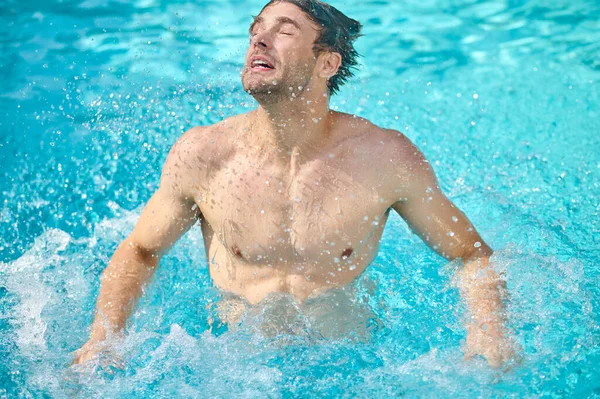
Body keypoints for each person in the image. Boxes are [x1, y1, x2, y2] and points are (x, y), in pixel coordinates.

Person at [73, 0, 518, 368]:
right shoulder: (204, 154)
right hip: (234, 364)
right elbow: (140, 250)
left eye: (283, 31)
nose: (258, 40)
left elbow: (469, 253)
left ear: (327, 62)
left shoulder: (384, 157)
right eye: (255, 30)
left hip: (349, 362)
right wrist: (103, 338)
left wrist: (488, 331)